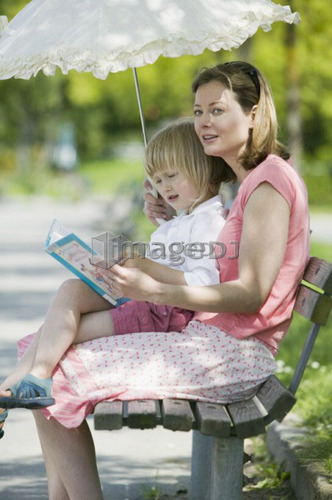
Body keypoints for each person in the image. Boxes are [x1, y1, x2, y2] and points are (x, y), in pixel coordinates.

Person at [0, 61, 310, 500]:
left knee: (56, 377)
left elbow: (252, 291)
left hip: (232, 353)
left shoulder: (267, 185)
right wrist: (171, 220)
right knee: (44, 362)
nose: (203, 122)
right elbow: (217, 252)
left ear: (254, 113)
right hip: (212, 340)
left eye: (216, 110)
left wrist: (154, 288)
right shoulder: (251, 183)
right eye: (198, 111)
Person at [0, 118, 228, 411]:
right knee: (70, 290)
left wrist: (142, 265)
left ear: (203, 167)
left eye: (171, 176)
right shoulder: (186, 218)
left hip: (162, 311)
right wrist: (162, 223)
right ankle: (10, 389)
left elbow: (204, 283)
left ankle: (27, 384)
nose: (164, 187)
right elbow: (171, 253)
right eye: (157, 180)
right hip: (143, 299)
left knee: (61, 329)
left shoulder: (209, 221)